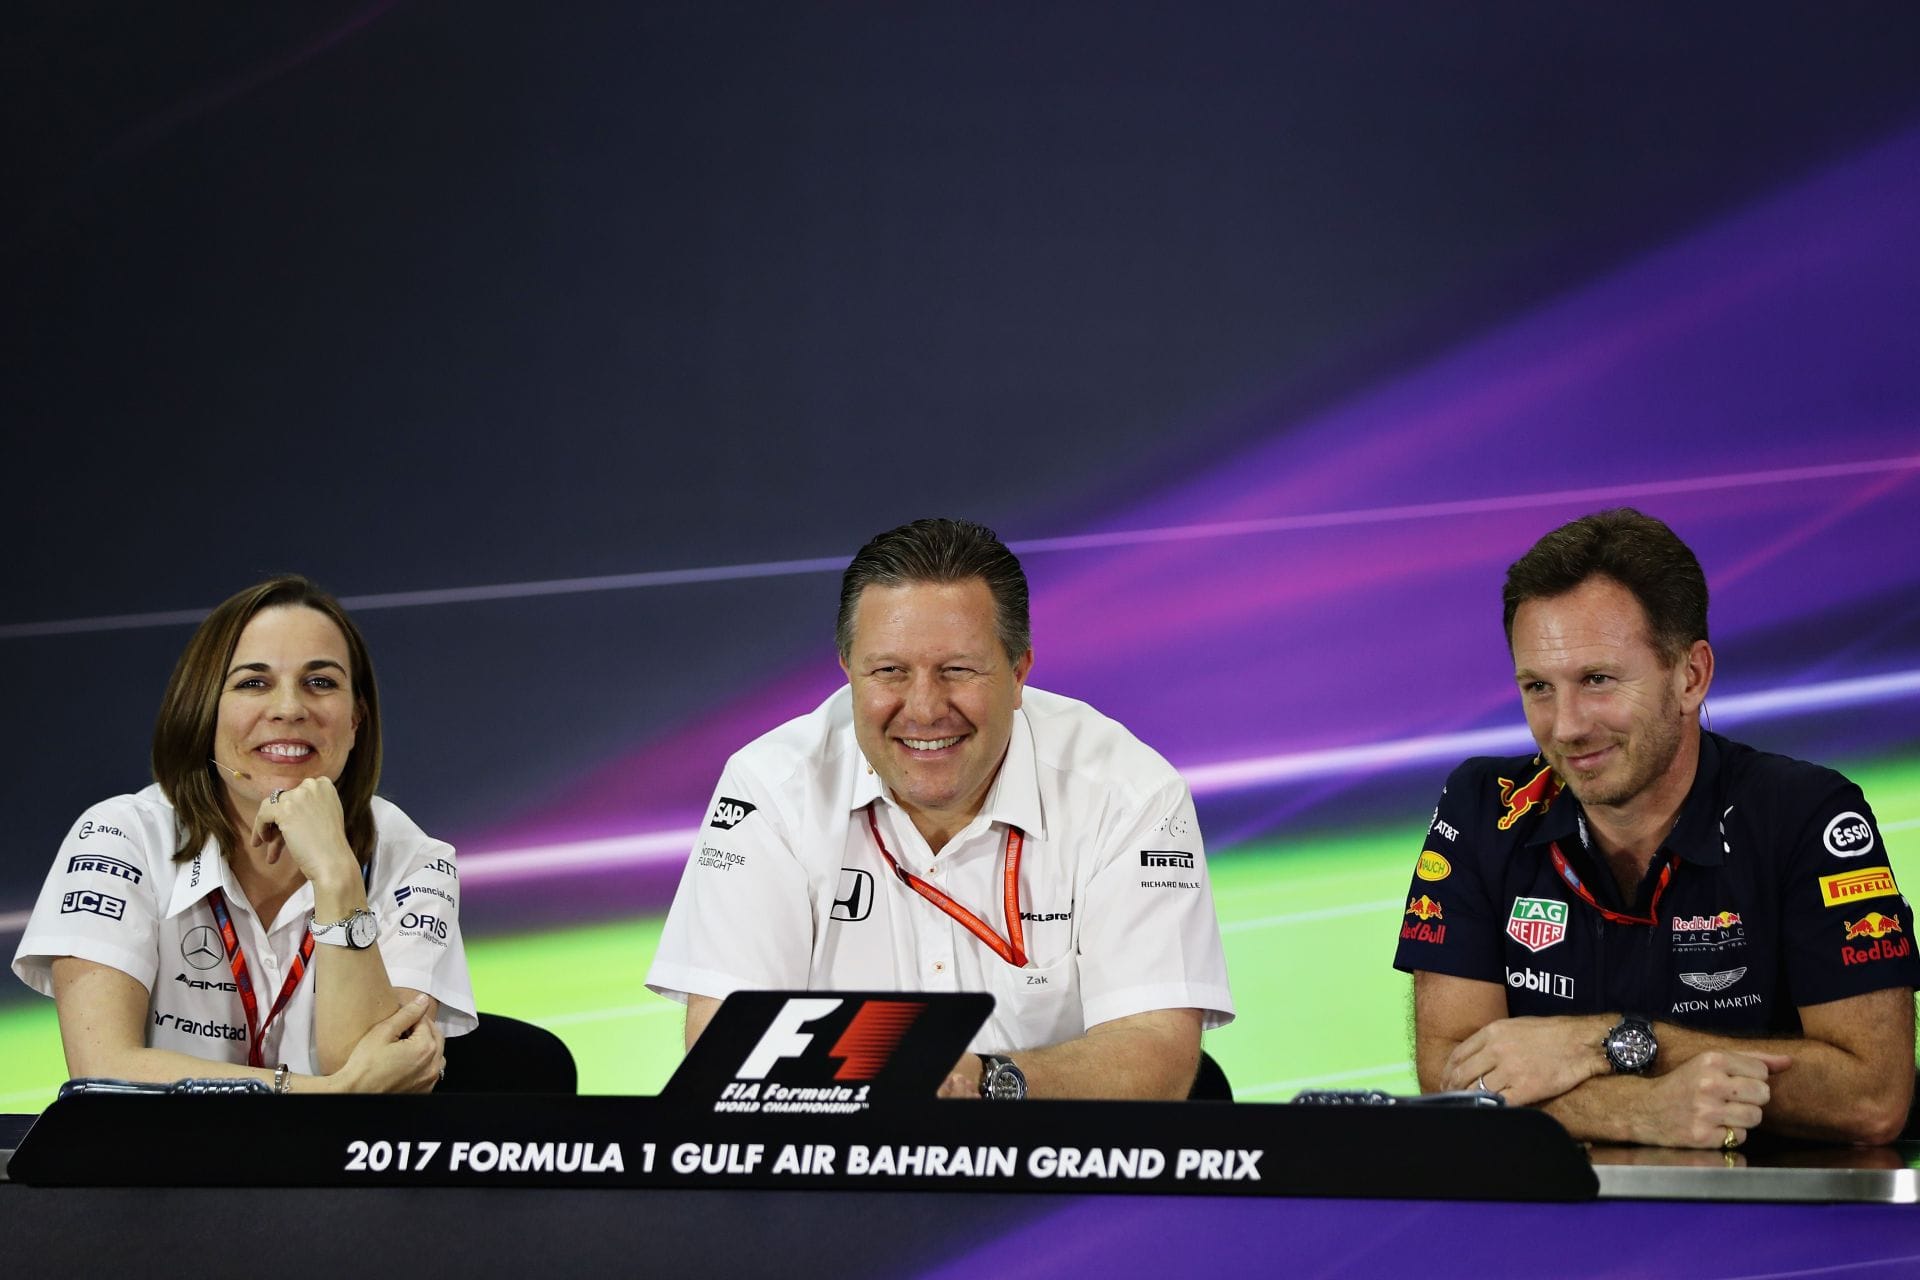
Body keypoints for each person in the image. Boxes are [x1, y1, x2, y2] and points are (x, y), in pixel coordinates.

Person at [647, 518, 1234, 1099]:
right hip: (837, 1176)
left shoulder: (1129, 792)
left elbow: (1157, 1051)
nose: (925, 710)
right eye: (890, 671)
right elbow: (726, 1050)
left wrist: (986, 1083)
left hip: (1060, 1175)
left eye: (958, 670)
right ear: (849, 671)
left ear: (1019, 671)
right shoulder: (771, 790)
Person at [1395, 509, 1917, 1147]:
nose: (1566, 726)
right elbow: (1452, 1081)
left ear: (1690, 676)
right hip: (1548, 1235)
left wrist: (1603, 1042)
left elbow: (1872, 1098)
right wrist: (1642, 1112)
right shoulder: (1483, 805)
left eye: (1597, 680)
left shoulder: (1809, 814)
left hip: (1770, 1233)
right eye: (1538, 687)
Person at [13, 576, 476, 1093]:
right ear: (204, 710)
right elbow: (104, 1071)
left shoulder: (416, 861)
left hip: (343, 1174)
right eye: (253, 683)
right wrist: (326, 1093)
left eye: (320, 682)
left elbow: (384, 1083)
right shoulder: (118, 837)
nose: (288, 708)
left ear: (355, 721)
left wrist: (336, 875)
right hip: (160, 1170)